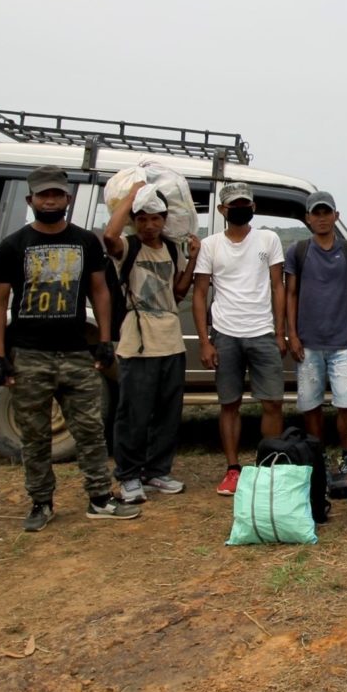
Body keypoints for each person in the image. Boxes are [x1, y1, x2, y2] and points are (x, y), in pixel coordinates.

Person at [0, 165, 139, 531]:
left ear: (68, 199)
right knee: (35, 434)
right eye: (43, 195)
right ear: (31, 200)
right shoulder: (13, 246)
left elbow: (99, 290)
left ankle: (100, 498)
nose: (50, 200)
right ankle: (40, 502)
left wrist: (104, 340)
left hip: (75, 352)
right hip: (29, 354)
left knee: (89, 429)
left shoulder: (86, 241)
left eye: (57, 194)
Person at [100, 179, 198, 503]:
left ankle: (157, 471)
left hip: (170, 339)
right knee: (134, 413)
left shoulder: (170, 248)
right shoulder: (127, 246)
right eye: (143, 218)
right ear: (134, 219)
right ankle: (128, 475)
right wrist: (131, 196)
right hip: (137, 340)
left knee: (168, 411)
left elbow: (179, 291)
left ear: (165, 219)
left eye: (156, 218)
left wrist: (194, 258)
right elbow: (108, 237)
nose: (150, 225)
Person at [193, 182, 286, 498]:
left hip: (262, 331)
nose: (241, 209)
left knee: (273, 401)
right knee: (229, 403)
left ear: (253, 207)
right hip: (225, 334)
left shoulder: (269, 239)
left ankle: (267, 467)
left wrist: (281, 330)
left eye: (246, 203)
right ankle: (232, 470)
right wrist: (205, 341)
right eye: (234, 205)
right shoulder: (211, 245)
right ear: (222, 210)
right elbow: (201, 292)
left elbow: (278, 287)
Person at [281, 192, 347, 458]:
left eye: (326, 212)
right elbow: (291, 294)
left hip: (343, 343)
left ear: (336, 216)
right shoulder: (298, 251)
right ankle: (316, 458)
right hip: (308, 344)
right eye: (316, 213)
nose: (321, 218)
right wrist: (292, 335)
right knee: (311, 405)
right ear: (308, 218)